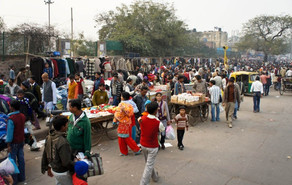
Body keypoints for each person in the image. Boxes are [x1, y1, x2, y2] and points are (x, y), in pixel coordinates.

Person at [41, 115, 75, 185]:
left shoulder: (50, 136)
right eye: (66, 125)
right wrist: (76, 165)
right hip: (63, 171)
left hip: (55, 169)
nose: (67, 126)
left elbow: (45, 153)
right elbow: (66, 162)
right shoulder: (62, 142)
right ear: (62, 127)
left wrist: (47, 167)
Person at [139, 102, 165, 185]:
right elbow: (162, 130)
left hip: (143, 144)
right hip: (152, 146)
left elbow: (139, 120)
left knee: (149, 163)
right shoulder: (158, 122)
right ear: (155, 111)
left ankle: (155, 177)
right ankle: (143, 183)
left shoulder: (142, 118)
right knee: (149, 165)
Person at [5, 100, 26, 184]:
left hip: (14, 142)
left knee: (12, 161)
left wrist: (8, 144)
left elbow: (10, 134)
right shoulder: (22, 116)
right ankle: (22, 177)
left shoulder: (11, 119)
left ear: (12, 108)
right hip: (21, 140)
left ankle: (14, 180)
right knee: (21, 159)